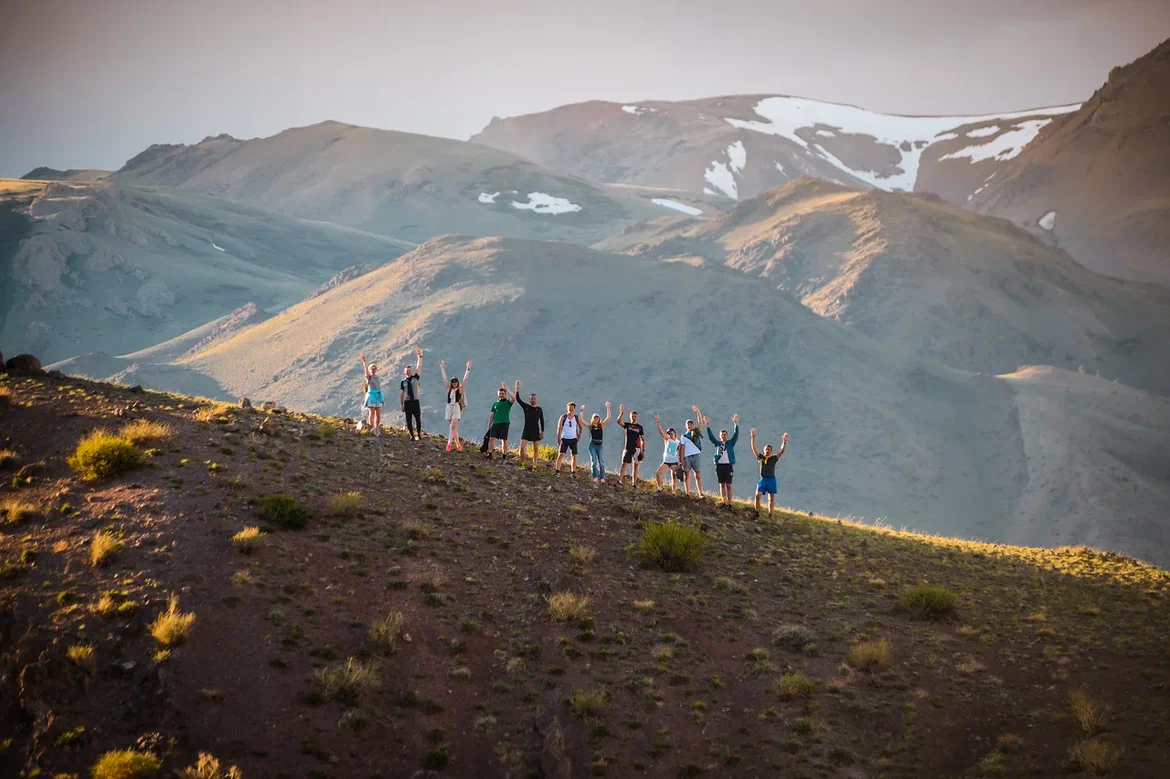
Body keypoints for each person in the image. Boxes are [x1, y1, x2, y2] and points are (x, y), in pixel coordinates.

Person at [750, 429, 788, 518]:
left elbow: (782, 451)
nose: (767, 450)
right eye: (766, 449)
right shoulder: (761, 457)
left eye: (769, 449)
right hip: (763, 479)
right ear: (764, 450)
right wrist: (753, 437)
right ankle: (757, 512)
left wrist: (784, 441)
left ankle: (770, 514)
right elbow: (754, 448)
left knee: (771, 498)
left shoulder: (773, 458)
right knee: (757, 495)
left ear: (771, 451)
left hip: (771, 479)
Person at [705, 414, 740, 507]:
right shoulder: (717, 443)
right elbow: (711, 437)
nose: (723, 436)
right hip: (719, 465)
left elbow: (736, 435)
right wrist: (708, 426)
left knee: (729, 485)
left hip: (728, 466)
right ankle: (724, 501)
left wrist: (736, 424)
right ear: (720, 436)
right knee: (722, 484)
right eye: (722, 435)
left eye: (725, 434)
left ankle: (730, 502)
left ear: (727, 436)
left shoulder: (730, 443)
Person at [440, 360, 471, 452]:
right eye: (453, 382)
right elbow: (444, 378)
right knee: (453, 428)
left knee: (452, 426)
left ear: (457, 382)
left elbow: (465, 380)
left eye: (455, 382)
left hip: (456, 407)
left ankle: (449, 444)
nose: (454, 383)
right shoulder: (449, 389)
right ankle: (458, 445)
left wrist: (468, 369)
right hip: (449, 407)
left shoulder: (460, 389)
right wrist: (442, 368)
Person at [514, 380, 545, 469]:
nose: (533, 400)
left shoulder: (539, 409)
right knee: (521, 448)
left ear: (536, 400)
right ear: (529, 400)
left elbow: (542, 421)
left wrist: (542, 432)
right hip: (526, 430)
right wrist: (517, 389)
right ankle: (522, 464)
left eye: (534, 398)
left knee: (536, 449)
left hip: (536, 431)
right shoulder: (526, 407)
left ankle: (535, 466)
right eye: (531, 399)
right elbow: (518, 399)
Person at [653, 415, 683, 494]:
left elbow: (680, 453)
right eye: (669, 433)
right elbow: (661, 432)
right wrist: (658, 423)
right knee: (658, 473)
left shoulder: (678, 442)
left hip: (674, 461)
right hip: (666, 461)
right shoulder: (667, 440)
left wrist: (680, 463)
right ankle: (660, 488)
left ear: (675, 433)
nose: (670, 434)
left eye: (671, 433)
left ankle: (674, 491)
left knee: (674, 476)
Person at [615, 405, 645, 486]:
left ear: (637, 417)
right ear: (630, 417)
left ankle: (634, 483)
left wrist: (643, 450)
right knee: (624, 464)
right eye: (632, 416)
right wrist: (621, 413)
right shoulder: (627, 425)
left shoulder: (639, 427)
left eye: (635, 416)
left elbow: (643, 439)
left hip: (637, 448)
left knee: (635, 466)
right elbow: (619, 421)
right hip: (628, 447)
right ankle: (619, 481)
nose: (633, 418)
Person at [486, 382, 516, 459]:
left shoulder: (508, 402)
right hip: (495, 423)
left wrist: (507, 389)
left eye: (503, 393)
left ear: (505, 394)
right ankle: (490, 454)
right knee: (491, 438)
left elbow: (514, 398)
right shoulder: (495, 404)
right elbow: (491, 415)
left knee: (504, 440)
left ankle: (504, 455)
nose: (501, 395)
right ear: (498, 394)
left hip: (504, 423)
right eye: (500, 393)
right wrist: (489, 425)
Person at [680, 406, 705, 497]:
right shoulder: (683, 436)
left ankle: (700, 493)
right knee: (687, 475)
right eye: (688, 424)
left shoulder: (696, 432)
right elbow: (682, 448)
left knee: (697, 475)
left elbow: (700, 422)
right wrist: (681, 459)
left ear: (693, 426)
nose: (689, 426)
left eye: (691, 424)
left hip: (696, 455)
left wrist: (698, 412)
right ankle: (687, 493)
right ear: (686, 426)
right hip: (687, 457)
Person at [555, 402, 586, 474]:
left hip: (573, 439)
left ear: (574, 409)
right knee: (561, 454)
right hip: (564, 438)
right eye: (569, 408)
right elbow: (559, 428)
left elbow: (581, 427)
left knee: (574, 456)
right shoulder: (563, 417)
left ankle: (573, 472)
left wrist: (579, 436)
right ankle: (557, 471)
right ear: (567, 408)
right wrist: (558, 438)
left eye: (572, 408)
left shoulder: (576, 418)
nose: (571, 410)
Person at [400, 347, 423, 441]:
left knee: (418, 419)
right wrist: (401, 404)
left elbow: (419, 367)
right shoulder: (403, 382)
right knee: (408, 420)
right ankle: (411, 435)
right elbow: (402, 394)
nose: (408, 371)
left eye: (409, 370)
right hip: (407, 402)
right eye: (407, 370)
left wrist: (419, 357)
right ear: (405, 372)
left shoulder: (415, 378)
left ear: (411, 371)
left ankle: (419, 434)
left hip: (415, 401)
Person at [586, 402, 612, 483]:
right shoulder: (590, 426)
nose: (596, 418)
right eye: (595, 417)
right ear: (592, 419)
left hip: (600, 445)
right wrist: (582, 411)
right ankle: (595, 477)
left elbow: (608, 417)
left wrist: (608, 407)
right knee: (594, 462)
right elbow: (582, 421)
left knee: (601, 462)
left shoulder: (601, 426)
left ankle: (602, 477)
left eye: (597, 417)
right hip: (592, 445)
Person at [359, 352, 384, 432]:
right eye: (371, 369)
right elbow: (366, 372)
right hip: (372, 395)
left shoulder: (377, 377)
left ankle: (376, 427)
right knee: (372, 412)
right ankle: (372, 427)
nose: (373, 370)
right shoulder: (369, 378)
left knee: (378, 413)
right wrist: (364, 362)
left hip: (378, 395)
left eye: (374, 369)